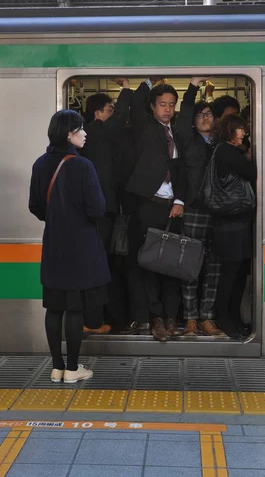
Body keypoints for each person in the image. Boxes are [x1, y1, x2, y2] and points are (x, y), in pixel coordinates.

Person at [28, 110, 111, 383]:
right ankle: (73, 369)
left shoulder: (40, 164)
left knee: (54, 308)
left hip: (53, 245)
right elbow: (98, 208)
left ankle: (56, 367)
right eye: (80, 129)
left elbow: (35, 206)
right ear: (68, 134)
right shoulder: (82, 165)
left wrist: (54, 218)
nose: (85, 133)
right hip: (80, 245)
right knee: (75, 308)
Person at [123, 79, 185, 342]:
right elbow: (136, 105)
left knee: (172, 265)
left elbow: (183, 170)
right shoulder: (145, 127)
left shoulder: (178, 132)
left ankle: (172, 317)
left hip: (173, 208)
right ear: (152, 106)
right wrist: (147, 81)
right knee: (148, 264)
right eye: (162, 105)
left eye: (171, 105)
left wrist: (180, 200)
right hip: (147, 205)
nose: (167, 110)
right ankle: (155, 318)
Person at [81, 78, 133, 333]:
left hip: (102, 209)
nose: (114, 114)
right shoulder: (95, 130)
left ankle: (100, 318)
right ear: (98, 113)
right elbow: (121, 116)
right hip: (100, 211)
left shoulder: (95, 136)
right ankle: (93, 320)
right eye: (109, 110)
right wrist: (125, 89)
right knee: (99, 263)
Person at [176, 77, 223, 338]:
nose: (205, 118)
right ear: (193, 121)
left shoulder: (222, 143)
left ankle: (208, 317)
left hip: (219, 211)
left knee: (214, 267)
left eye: (209, 114)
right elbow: (183, 113)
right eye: (200, 115)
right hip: (194, 207)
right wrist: (193, 86)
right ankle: (190, 318)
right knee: (190, 265)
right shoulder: (188, 138)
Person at [211, 114, 256, 339]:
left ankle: (233, 317)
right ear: (230, 130)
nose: (244, 133)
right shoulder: (226, 151)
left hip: (234, 222)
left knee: (237, 273)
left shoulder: (226, 151)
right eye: (240, 129)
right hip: (230, 223)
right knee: (230, 273)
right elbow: (252, 173)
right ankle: (224, 316)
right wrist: (248, 156)